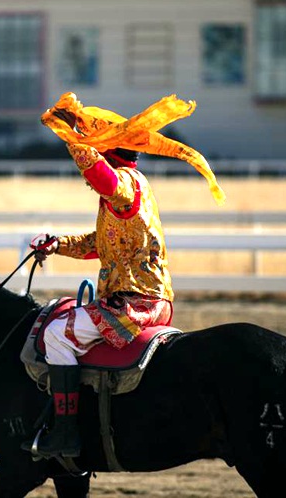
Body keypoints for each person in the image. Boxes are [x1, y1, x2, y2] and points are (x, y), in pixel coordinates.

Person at [26, 95, 176, 459]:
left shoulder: (123, 184)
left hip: (132, 304)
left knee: (56, 334)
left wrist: (72, 138)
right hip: (150, 301)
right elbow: (99, 243)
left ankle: (66, 434)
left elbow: (102, 178)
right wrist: (58, 244)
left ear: (108, 153)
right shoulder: (134, 188)